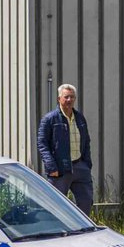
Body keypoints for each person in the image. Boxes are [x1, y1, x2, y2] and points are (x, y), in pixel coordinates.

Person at [37, 83, 94, 216]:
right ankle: (56, 233)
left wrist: (87, 164)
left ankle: (82, 233)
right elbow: (42, 143)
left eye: (72, 97)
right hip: (59, 170)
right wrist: (51, 167)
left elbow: (86, 142)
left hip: (80, 167)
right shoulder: (49, 119)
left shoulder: (80, 118)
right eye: (66, 97)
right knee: (55, 206)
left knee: (86, 202)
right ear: (59, 99)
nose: (69, 100)